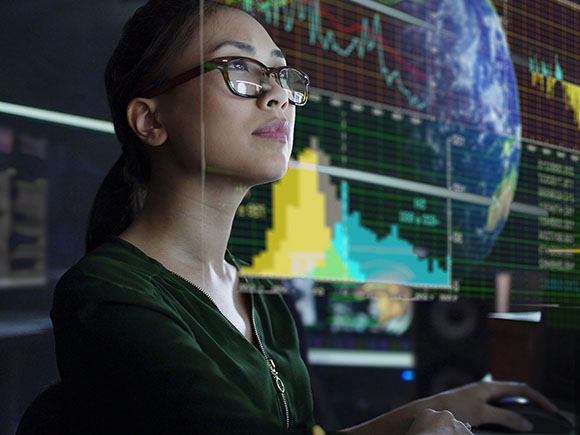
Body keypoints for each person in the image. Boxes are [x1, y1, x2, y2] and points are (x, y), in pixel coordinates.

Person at [50, 1, 558, 433]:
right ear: (150, 120)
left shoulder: (257, 296)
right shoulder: (106, 294)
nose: (277, 97)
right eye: (240, 70)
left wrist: (414, 415)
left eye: (281, 74)